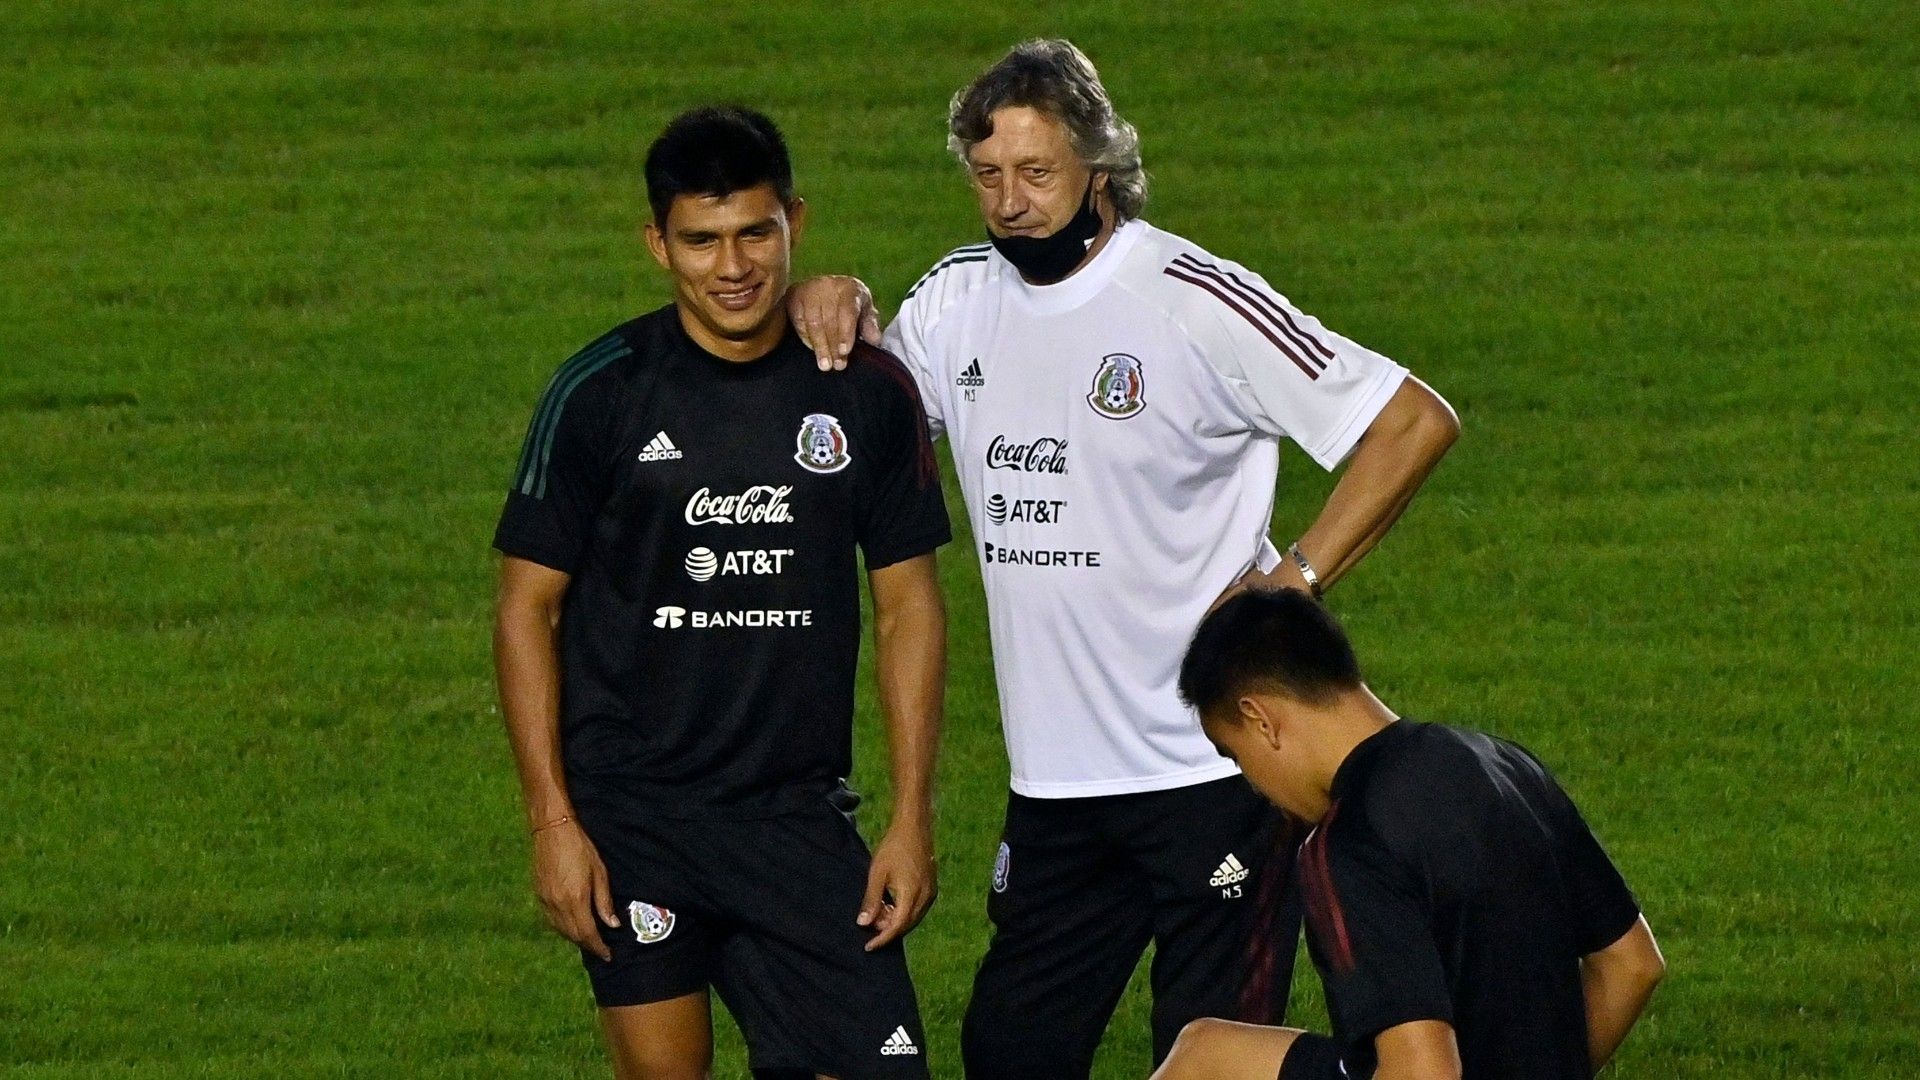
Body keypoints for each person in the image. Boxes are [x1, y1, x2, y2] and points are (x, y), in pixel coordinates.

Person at [786, 39, 1462, 1077]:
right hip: (1054, 786)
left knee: (1208, 1060)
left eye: (1037, 173)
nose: (1009, 201)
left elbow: (1411, 421)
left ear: (1099, 167)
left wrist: (1296, 582)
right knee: (1008, 1051)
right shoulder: (955, 302)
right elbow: (867, 427)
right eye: (987, 175)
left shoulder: (1193, 298)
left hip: (1218, 766)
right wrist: (833, 301)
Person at [491, 105, 951, 1080]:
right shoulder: (600, 394)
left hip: (795, 821)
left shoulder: (866, 393)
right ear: (658, 242)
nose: (731, 265)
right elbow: (526, 608)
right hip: (636, 823)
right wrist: (553, 824)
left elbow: (910, 606)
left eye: (755, 233)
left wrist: (911, 818)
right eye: (701, 240)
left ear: (795, 220)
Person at [1155, 587, 1665, 1080]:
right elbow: (1631, 965)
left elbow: (1424, 1072)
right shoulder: (1504, 764)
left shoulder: (1346, 846)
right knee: (1207, 1051)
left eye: (1237, 755)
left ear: (1260, 719)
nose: (1254, 785)